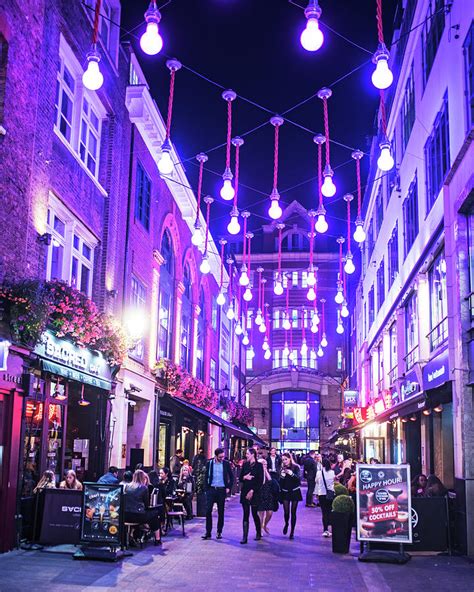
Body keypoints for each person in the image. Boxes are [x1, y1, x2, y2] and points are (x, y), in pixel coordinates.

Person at [202, 447, 234, 540]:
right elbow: (206, 476)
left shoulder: (226, 464)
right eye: (220, 457)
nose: (222, 459)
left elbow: (231, 476)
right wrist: (206, 488)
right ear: (216, 456)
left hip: (221, 490)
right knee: (208, 511)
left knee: (221, 511)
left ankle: (219, 531)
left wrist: (228, 487)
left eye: (223, 457)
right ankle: (208, 532)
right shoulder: (210, 463)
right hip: (211, 489)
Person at [123, 469, 162, 545]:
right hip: (138, 516)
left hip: (126, 515)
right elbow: (146, 505)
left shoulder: (126, 486)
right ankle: (157, 539)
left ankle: (133, 536)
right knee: (155, 514)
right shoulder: (144, 488)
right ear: (142, 478)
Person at [239, 448, 264, 544]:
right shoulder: (245, 465)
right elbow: (241, 477)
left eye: (248, 454)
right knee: (246, 514)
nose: (246, 455)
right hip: (245, 492)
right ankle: (244, 537)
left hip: (255, 493)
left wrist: (253, 490)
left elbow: (260, 480)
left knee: (254, 513)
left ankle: (258, 532)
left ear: (253, 454)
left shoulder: (259, 466)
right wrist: (245, 477)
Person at [279, 452, 302, 539]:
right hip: (285, 492)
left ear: (290, 459)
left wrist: (291, 474)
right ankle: (286, 523)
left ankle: (292, 531)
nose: (284, 461)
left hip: (295, 491)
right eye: (283, 460)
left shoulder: (296, 467)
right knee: (286, 512)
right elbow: (280, 483)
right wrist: (282, 476)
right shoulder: (282, 468)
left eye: (286, 459)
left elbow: (299, 480)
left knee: (293, 513)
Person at [257, 458, 279, 534]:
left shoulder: (269, 472)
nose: (264, 465)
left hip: (268, 494)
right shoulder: (256, 472)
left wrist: (265, 471)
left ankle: (265, 525)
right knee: (261, 513)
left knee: (269, 513)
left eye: (265, 464)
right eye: (263, 464)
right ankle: (260, 530)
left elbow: (270, 481)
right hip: (260, 493)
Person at [316, 458, 335, 537]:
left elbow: (316, 481)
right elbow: (333, 480)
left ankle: (325, 529)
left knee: (324, 512)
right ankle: (332, 528)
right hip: (330, 493)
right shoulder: (332, 472)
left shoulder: (319, 473)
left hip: (322, 494)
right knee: (330, 511)